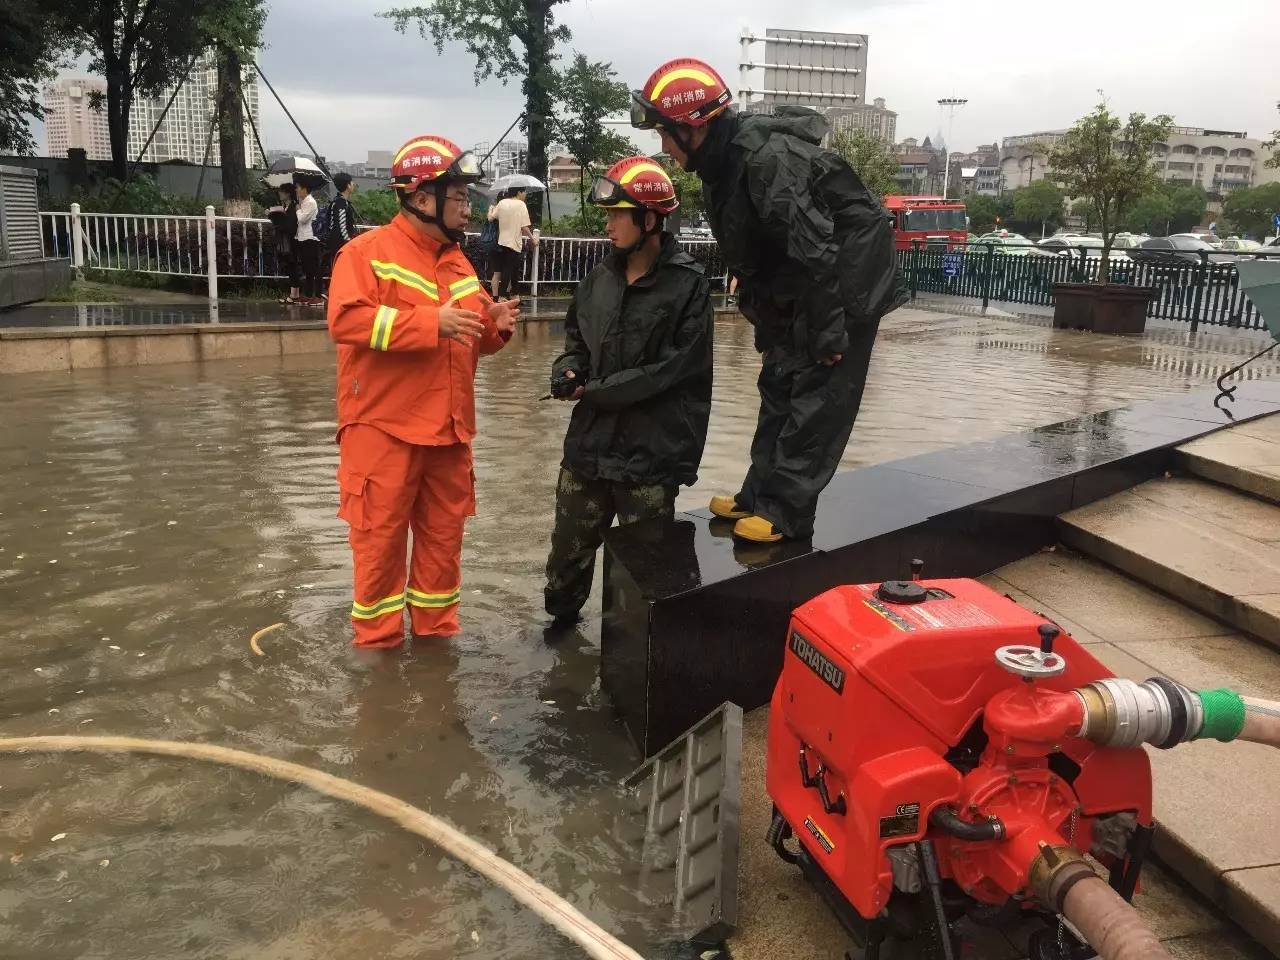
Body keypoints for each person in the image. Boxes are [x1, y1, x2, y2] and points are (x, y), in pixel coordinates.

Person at [631, 58, 906, 543]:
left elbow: (816, 249)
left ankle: (787, 513)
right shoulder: (722, 162)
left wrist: (827, 331)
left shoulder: (768, 159)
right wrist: (762, 308)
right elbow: (754, 244)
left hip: (845, 284)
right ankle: (757, 495)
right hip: (799, 283)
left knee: (819, 395)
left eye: (664, 134)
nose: (662, 146)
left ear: (693, 128)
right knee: (778, 383)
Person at [326, 134, 520, 648]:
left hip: (449, 435)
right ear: (419, 197)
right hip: (383, 432)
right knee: (379, 556)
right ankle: (377, 664)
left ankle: (437, 659)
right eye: (457, 197)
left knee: (441, 556)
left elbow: (468, 341)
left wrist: (494, 325)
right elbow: (346, 321)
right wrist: (428, 323)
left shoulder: (458, 262)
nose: (465, 208)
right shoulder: (366, 254)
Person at [543, 157, 713, 626]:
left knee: (647, 582)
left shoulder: (689, 287)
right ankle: (562, 653)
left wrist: (592, 391)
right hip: (588, 451)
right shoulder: (597, 280)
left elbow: (672, 371)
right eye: (608, 214)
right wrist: (569, 371)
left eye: (619, 214)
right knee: (565, 566)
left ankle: (633, 672)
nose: (609, 224)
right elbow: (575, 341)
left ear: (651, 219)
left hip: (650, 460)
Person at [486, 187, 536, 298]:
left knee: (512, 269)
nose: (525, 194)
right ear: (519, 192)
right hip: (514, 243)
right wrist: (533, 239)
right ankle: (502, 296)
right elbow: (524, 227)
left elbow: (490, 218)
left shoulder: (502, 202)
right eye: (524, 192)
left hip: (501, 241)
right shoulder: (521, 205)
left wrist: (490, 209)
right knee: (508, 270)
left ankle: (515, 295)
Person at [267, 184, 299, 304]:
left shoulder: (294, 207)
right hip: (284, 240)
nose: (280, 194)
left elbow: (291, 225)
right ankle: (293, 294)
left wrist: (280, 219)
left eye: (282, 192)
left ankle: (295, 295)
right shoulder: (285, 207)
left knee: (293, 266)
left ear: (288, 193)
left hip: (292, 240)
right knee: (289, 266)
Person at [294, 180, 323, 307]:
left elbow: (302, 218)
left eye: (298, 187)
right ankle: (308, 294)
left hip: (311, 238)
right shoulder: (303, 202)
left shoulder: (310, 202)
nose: (296, 190)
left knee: (314, 268)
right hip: (303, 238)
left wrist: (298, 210)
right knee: (307, 269)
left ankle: (318, 296)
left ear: (305, 189)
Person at [325, 172, 358, 278]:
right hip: (340, 244)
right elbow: (341, 226)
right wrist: (349, 242)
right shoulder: (341, 203)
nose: (353, 184)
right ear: (348, 186)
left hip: (337, 243)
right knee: (341, 272)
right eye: (351, 182)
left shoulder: (339, 202)